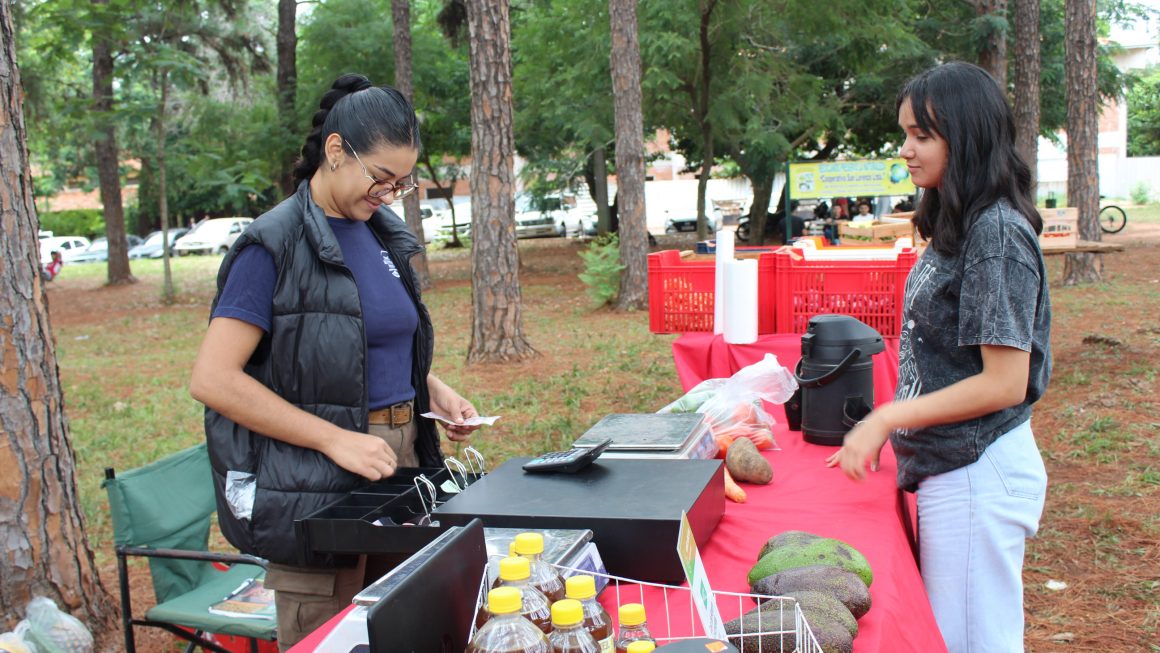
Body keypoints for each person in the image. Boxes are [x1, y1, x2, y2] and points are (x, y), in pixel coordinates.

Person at [189, 73, 480, 650]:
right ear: (335, 150)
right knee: (329, 632)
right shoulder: (271, 245)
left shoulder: (380, 234)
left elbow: (358, 341)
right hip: (314, 484)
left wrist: (430, 390)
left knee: (404, 624)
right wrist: (332, 439)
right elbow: (213, 379)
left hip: (400, 464)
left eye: (402, 182)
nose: (390, 194)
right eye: (380, 178)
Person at [826, 62, 1050, 653]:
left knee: (972, 643)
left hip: (979, 468)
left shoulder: (996, 235)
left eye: (922, 135)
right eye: (905, 133)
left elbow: (1004, 381)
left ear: (968, 136)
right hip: (955, 465)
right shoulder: (962, 222)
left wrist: (885, 418)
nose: (905, 149)